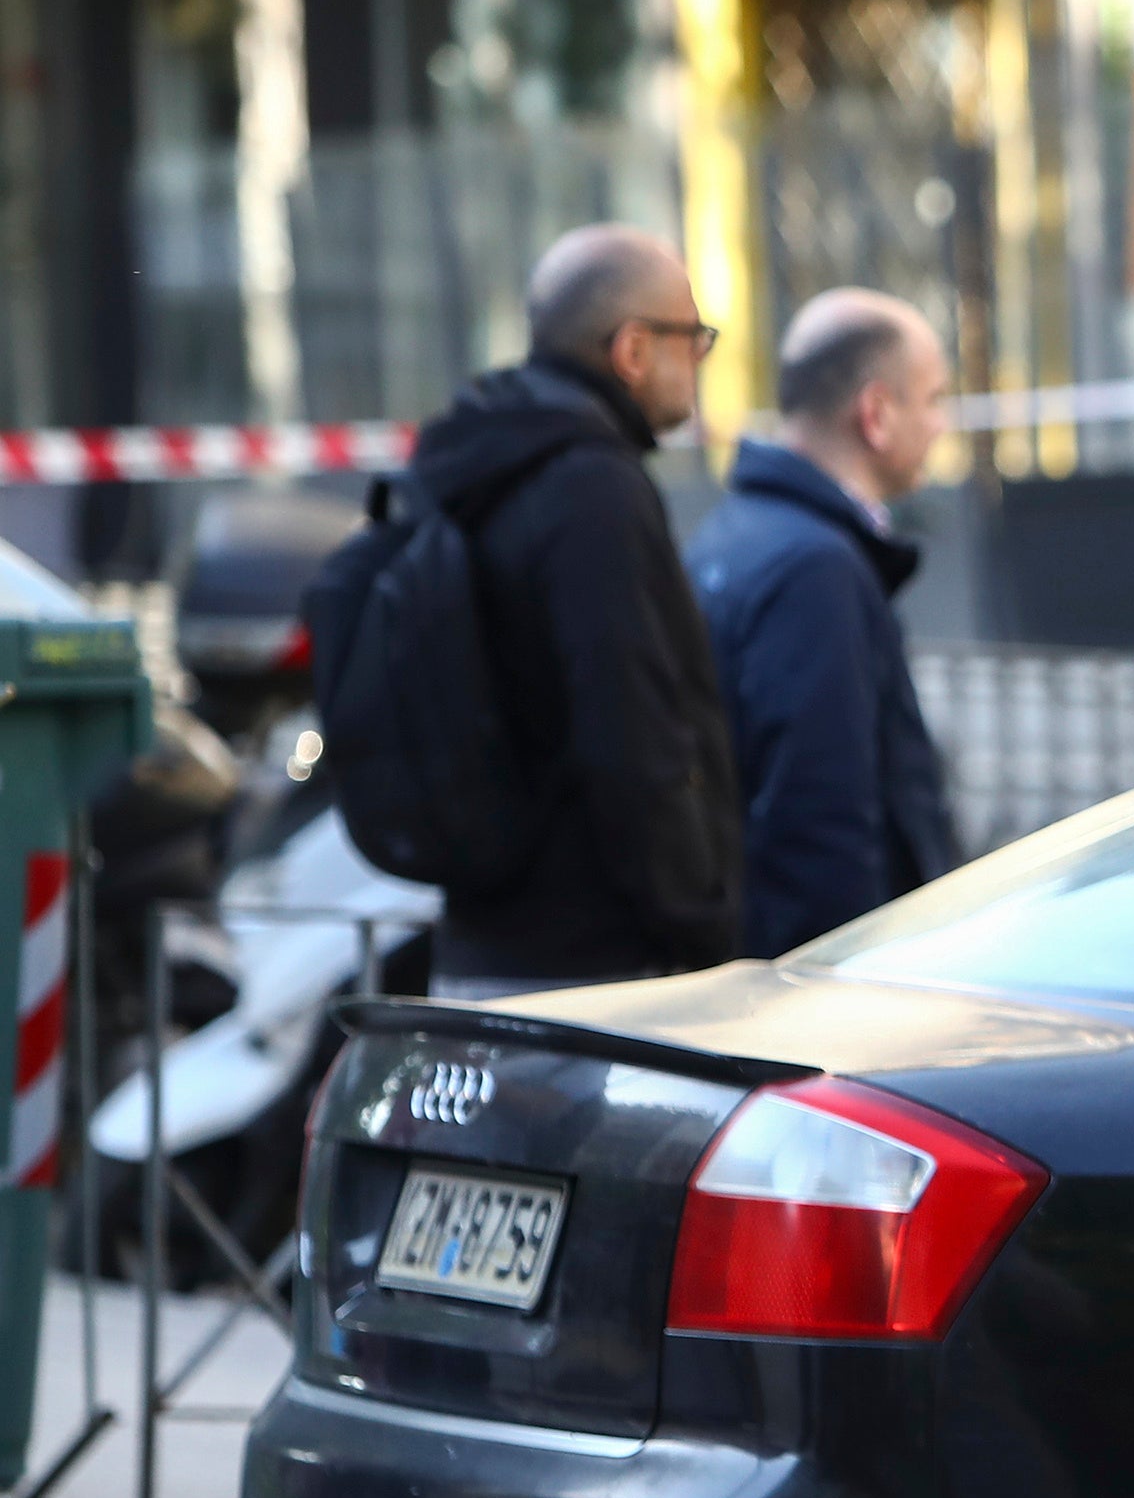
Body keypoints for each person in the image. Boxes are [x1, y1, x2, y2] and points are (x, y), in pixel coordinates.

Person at [408, 225, 740, 1000]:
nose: (698, 361)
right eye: (693, 338)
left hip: (482, 943)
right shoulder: (594, 490)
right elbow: (632, 729)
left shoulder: (477, 461)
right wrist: (702, 924)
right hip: (593, 970)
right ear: (632, 350)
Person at [690, 289, 965, 955]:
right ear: (875, 413)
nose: (940, 425)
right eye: (932, 399)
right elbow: (820, 823)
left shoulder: (735, 535)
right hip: (827, 997)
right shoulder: (814, 568)